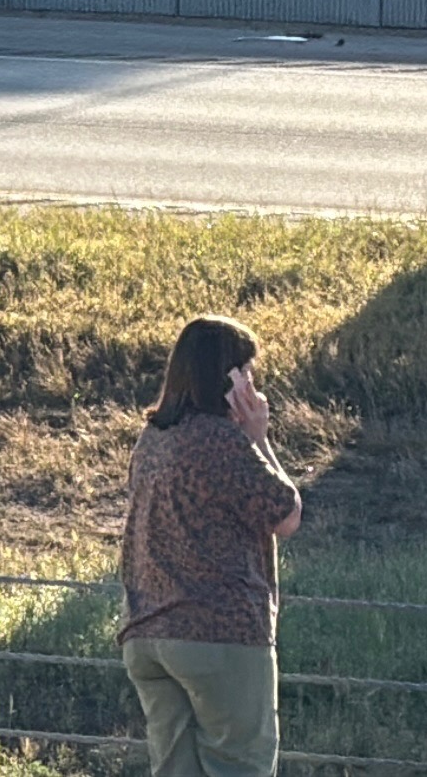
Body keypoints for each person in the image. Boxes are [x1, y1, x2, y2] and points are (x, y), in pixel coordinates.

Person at [119, 316, 303, 777]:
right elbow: (286, 514)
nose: (255, 383)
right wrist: (258, 436)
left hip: (148, 633)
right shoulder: (221, 441)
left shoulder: (152, 439)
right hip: (220, 634)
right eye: (248, 372)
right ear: (231, 377)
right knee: (241, 768)